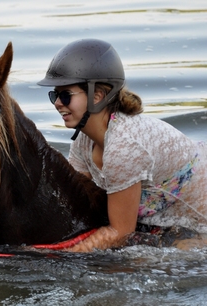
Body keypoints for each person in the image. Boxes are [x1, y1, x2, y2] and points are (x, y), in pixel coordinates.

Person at [37, 39, 207, 252]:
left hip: (198, 228)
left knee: (129, 263)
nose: (57, 103)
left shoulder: (123, 148)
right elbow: (73, 197)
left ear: (97, 95)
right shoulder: (84, 140)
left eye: (65, 96)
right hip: (159, 223)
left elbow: (120, 233)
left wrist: (57, 255)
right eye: (54, 95)